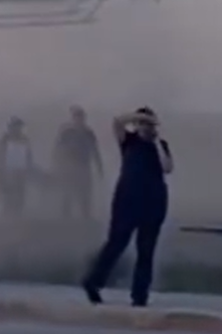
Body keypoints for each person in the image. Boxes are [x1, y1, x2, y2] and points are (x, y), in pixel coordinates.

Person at [82, 107, 173, 307]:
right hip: (127, 199)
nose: (146, 128)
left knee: (146, 250)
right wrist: (139, 116)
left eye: (150, 124)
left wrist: (157, 141)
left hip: (154, 202)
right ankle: (93, 282)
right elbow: (117, 122)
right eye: (143, 124)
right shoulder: (129, 141)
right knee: (116, 243)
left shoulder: (160, 145)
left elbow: (167, 167)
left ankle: (140, 296)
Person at [54, 106, 104, 221]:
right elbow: (58, 149)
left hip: (84, 166)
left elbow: (94, 150)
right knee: (68, 192)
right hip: (69, 166)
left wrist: (99, 167)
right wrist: (58, 164)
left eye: (81, 117)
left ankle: (86, 216)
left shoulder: (89, 133)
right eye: (77, 117)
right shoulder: (67, 132)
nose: (79, 120)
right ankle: (66, 218)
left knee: (85, 193)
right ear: (73, 118)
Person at [0, 117, 35, 218]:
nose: (18, 129)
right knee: (9, 198)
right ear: (10, 128)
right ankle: (6, 219)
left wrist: (28, 169)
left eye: (19, 127)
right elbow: (0, 158)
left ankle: (17, 219)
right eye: (16, 127)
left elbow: (28, 155)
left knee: (20, 198)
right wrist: (1, 175)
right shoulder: (4, 140)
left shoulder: (24, 139)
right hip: (8, 174)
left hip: (20, 173)